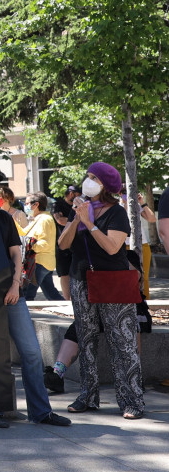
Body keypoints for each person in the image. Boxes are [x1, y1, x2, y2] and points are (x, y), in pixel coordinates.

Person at [0, 168, 70, 429]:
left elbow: (16, 254)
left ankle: (41, 411)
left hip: (10, 294)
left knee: (32, 352)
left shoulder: (3, 218)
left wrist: (14, 285)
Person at [57, 162, 144, 419]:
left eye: (94, 177)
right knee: (85, 340)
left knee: (123, 343)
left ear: (105, 184)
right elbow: (63, 245)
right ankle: (88, 395)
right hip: (81, 280)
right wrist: (77, 219)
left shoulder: (115, 213)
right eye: (88, 176)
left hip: (112, 282)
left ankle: (132, 401)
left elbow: (112, 247)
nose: (88, 180)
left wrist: (90, 224)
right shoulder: (83, 210)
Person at [20, 194, 63, 301]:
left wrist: (30, 246)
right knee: (51, 294)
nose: (25, 206)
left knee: (27, 294)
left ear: (36, 204)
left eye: (27, 203)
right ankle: (73, 313)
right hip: (42, 262)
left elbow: (44, 243)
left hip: (39, 262)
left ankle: (26, 317)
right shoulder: (38, 219)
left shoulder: (44, 220)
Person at [52, 185, 81, 299]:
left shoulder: (79, 205)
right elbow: (60, 220)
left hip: (77, 243)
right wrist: (77, 221)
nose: (78, 197)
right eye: (77, 194)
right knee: (64, 273)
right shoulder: (57, 205)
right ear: (70, 193)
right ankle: (67, 299)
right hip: (62, 244)